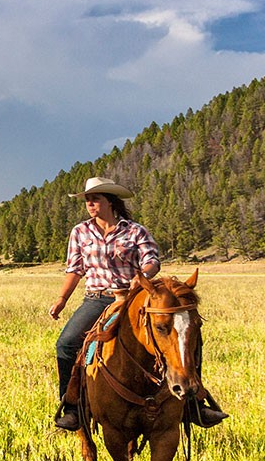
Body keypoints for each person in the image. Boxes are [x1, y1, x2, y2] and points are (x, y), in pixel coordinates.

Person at [48, 176, 228, 431]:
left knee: (183, 338)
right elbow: (74, 269)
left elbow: (152, 260)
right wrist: (61, 300)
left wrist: (142, 277)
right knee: (66, 344)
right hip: (97, 299)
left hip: (134, 298)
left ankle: (194, 402)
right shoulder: (80, 232)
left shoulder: (135, 231)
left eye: (95, 198)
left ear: (110, 201)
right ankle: (73, 407)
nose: (90, 203)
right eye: (88, 199)